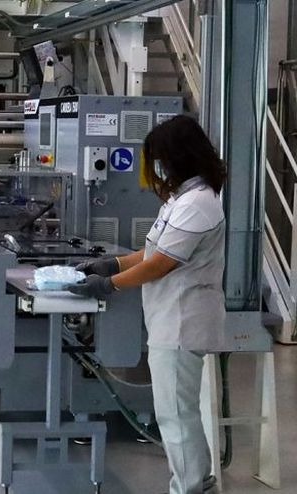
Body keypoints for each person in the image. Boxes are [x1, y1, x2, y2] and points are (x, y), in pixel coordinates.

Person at [68, 115, 226, 494]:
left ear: (177, 156)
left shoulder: (198, 203)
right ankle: (197, 482)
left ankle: (188, 488)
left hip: (183, 322)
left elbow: (160, 264)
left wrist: (108, 285)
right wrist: (113, 264)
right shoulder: (182, 199)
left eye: (159, 160)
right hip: (171, 319)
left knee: (175, 415)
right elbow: (153, 251)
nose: (156, 169)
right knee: (178, 412)